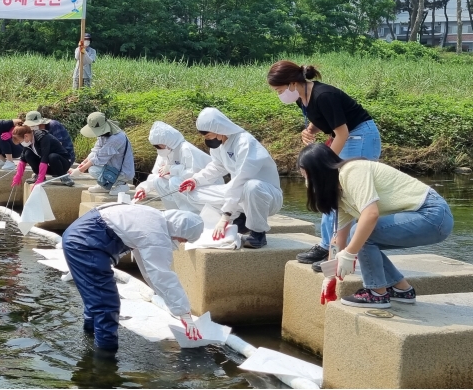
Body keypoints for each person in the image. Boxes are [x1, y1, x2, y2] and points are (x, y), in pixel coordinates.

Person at [297, 143, 453, 308]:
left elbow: (371, 215)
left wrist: (349, 254)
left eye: (308, 177)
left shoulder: (352, 171)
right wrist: (329, 276)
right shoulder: (340, 194)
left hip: (432, 214)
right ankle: (401, 290)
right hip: (427, 219)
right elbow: (339, 238)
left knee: (361, 231)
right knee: (358, 235)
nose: (308, 184)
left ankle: (376, 294)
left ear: (319, 171)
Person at [267, 61, 381, 270]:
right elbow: (320, 118)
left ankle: (339, 251)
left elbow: (342, 132)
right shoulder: (302, 97)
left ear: (293, 83)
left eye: (280, 90)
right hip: (346, 137)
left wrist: (325, 165)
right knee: (331, 194)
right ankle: (327, 246)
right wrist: (311, 129)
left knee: (344, 194)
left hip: (360, 137)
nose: (279, 95)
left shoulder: (323, 95)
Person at [62, 204, 206, 351]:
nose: (182, 243)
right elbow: (161, 275)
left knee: (96, 299)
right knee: (106, 304)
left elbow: (149, 271)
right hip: (86, 244)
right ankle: (105, 358)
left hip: (80, 236)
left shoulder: (153, 217)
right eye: (184, 239)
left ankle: (90, 337)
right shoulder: (155, 233)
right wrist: (184, 313)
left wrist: (179, 309)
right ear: (180, 230)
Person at [179, 108, 282, 249]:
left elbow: (242, 178)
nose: (207, 139)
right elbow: (216, 167)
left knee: (251, 186)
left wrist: (225, 216)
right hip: (239, 192)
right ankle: (241, 218)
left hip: (266, 196)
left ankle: (258, 232)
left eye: (208, 135)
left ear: (218, 128)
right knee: (193, 192)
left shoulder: (244, 142)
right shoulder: (219, 144)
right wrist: (195, 180)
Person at [134, 121, 221, 212]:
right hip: (182, 187)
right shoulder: (164, 152)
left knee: (174, 181)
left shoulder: (185, 149)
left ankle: (194, 214)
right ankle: (174, 213)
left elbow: (193, 173)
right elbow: (156, 174)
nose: (159, 148)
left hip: (206, 185)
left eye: (160, 145)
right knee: (158, 181)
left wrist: (172, 169)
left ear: (168, 141)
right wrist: (143, 188)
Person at [71, 112, 135, 195]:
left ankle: (122, 185)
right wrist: (83, 163)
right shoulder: (104, 135)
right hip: (112, 167)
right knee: (92, 168)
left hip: (122, 172)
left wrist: (80, 170)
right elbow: (96, 151)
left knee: (93, 170)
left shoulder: (116, 138)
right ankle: (104, 185)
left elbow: (100, 157)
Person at [10, 126, 75, 187]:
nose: (22, 143)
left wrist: (39, 181)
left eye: (21, 141)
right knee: (28, 154)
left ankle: (63, 176)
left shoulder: (42, 137)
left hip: (61, 164)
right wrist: (18, 175)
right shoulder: (29, 142)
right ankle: (38, 175)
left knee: (52, 157)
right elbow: (23, 159)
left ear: (26, 136)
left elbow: (45, 157)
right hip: (50, 167)